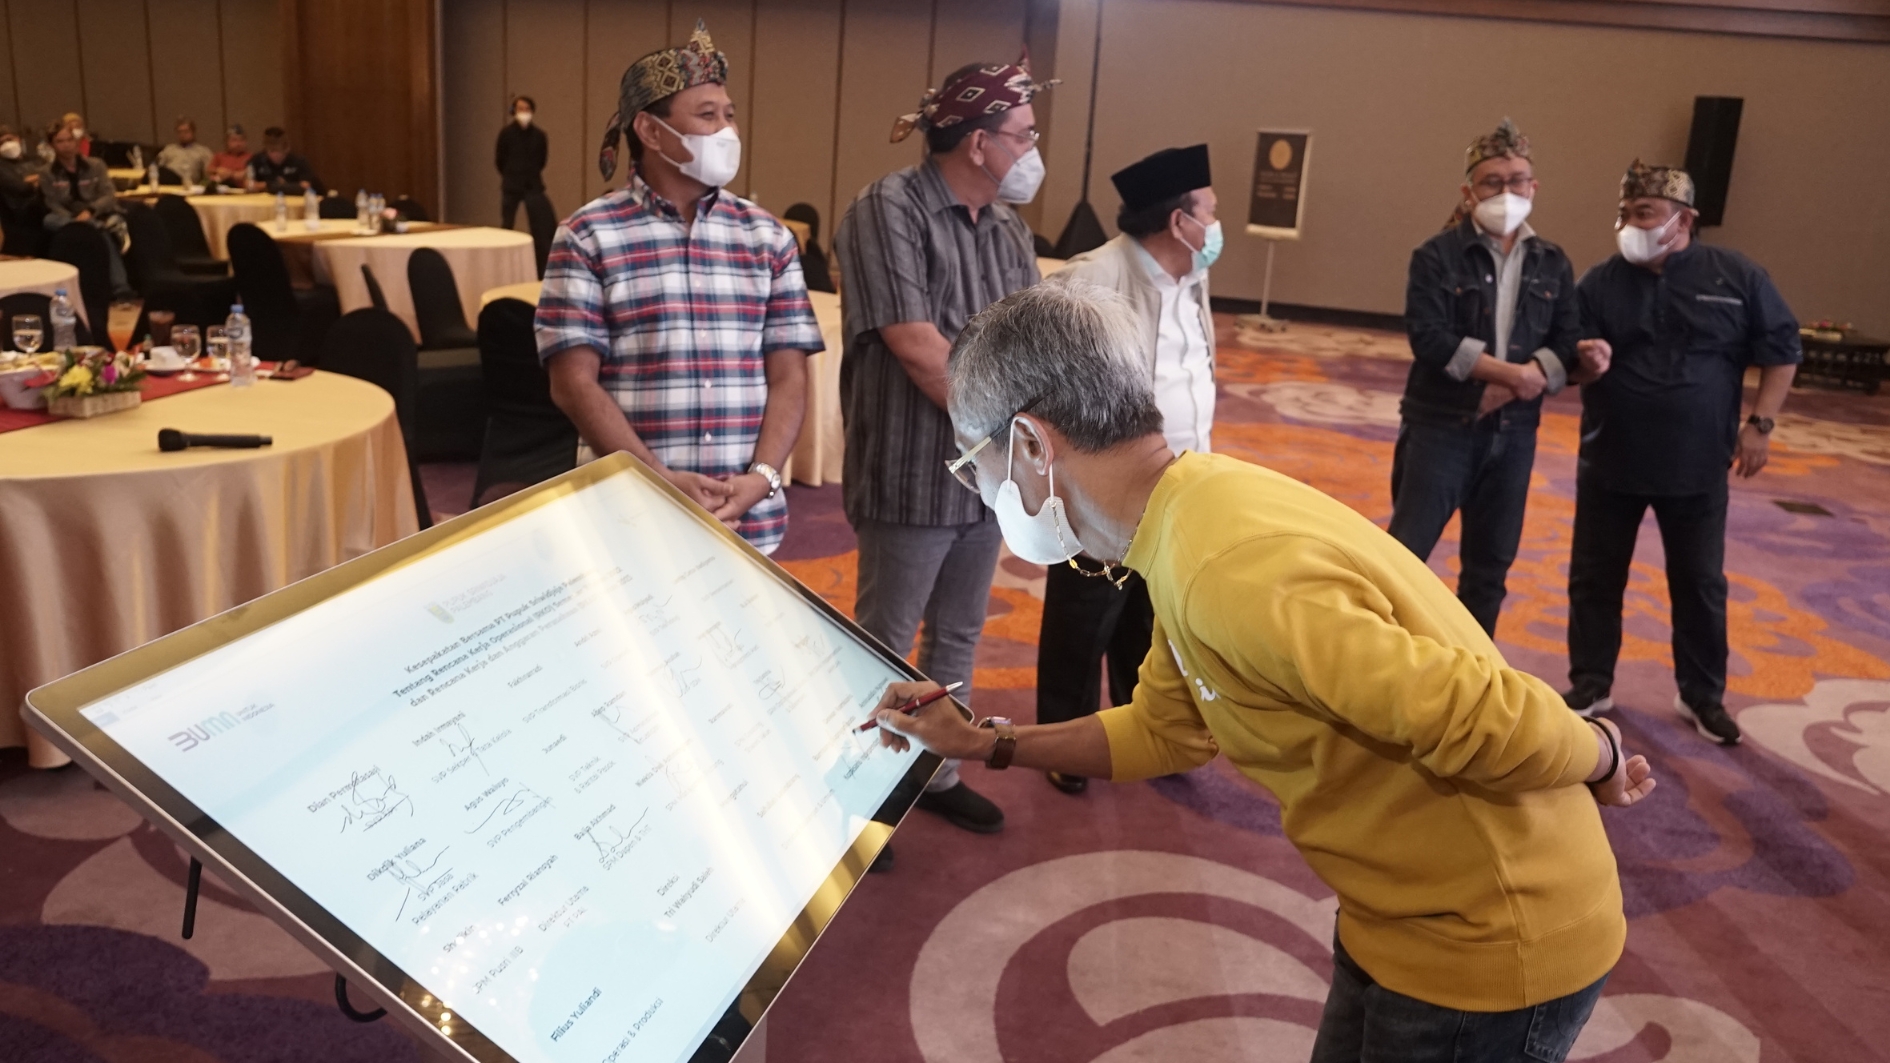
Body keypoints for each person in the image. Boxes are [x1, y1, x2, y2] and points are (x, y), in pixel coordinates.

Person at [870, 280, 1658, 1062]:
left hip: (1493, 935)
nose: (980, 488)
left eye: (975, 462)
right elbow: (1166, 730)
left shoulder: (1225, 568)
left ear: (1033, 445)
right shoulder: (1188, 512)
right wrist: (984, 743)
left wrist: (1601, 752)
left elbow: (1475, 710)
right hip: (1401, 911)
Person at [832, 54, 1055, 835]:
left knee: (958, 634)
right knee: (885, 643)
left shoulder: (1007, 229)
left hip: (987, 480)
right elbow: (918, 347)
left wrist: (1017, 451)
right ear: (978, 143)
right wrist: (1007, 429)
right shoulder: (887, 208)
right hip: (911, 469)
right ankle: (864, 793)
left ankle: (937, 770)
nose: (1033, 150)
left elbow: (1030, 343)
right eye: (1023, 134)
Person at [537, 21, 819, 559]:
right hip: (629, 515)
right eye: (707, 115)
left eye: (729, 115)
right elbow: (572, 384)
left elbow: (789, 375)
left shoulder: (767, 237)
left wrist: (761, 477)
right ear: (650, 130)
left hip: (745, 515)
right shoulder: (588, 235)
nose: (726, 130)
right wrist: (656, 479)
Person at [1563, 161, 1801, 745]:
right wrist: (1582, 363)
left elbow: (1782, 350)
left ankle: (1701, 693)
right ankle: (1591, 681)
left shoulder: (1737, 276)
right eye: (1624, 213)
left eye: (1644, 213)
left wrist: (1761, 425)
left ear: (1684, 220)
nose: (1630, 224)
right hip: (1611, 457)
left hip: (1697, 465)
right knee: (1595, 577)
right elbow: (1568, 361)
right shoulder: (1599, 282)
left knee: (1699, 582)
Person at [1031, 144, 1218, 795]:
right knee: (1084, 614)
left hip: (1179, 480)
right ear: (1179, 221)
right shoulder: (1092, 279)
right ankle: (1064, 740)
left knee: (1149, 611)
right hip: (1105, 486)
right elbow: (1040, 379)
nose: (1216, 227)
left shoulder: (1190, 275)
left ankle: (1142, 731)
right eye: (1209, 212)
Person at [1391, 119, 1608, 637]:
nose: (1506, 192)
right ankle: (1382, 660)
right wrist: (1512, 374)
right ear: (1469, 192)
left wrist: (1529, 377)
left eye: (1517, 181)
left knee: (1490, 571)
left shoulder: (1551, 262)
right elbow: (1430, 338)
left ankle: (1474, 669)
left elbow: (1565, 337)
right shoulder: (1435, 256)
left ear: (1533, 188)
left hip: (1514, 436)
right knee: (1402, 559)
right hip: (1441, 428)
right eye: (1493, 182)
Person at [40, 123, 132, 296]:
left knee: (102, 234)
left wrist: (90, 211)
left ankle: (121, 287)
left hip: (95, 214)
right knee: (49, 220)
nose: (66, 145)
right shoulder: (47, 173)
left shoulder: (96, 165)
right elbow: (52, 203)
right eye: (60, 141)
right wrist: (76, 222)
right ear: (52, 145)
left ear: (76, 141)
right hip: (67, 218)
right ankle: (94, 226)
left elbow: (109, 195)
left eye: (69, 140)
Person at [496, 95, 548, 230]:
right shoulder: (506, 134)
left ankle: (537, 244)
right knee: (507, 222)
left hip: (532, 184)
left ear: (532, 111)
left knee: (538, 222)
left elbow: (542, 160)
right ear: (514, 111)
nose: (524, 112)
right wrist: (510, 173)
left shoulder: (539, 135)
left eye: (527, 109)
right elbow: (500, 160)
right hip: (511, 184)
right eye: (520, 109)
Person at [247, 127, 324, 194]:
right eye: (271, 151)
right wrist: (270, 185)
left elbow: (305, 186)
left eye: (277, 151)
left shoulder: (299, 161)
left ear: (286, 149)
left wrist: (274, 186)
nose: (274, 155)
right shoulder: (258, 160)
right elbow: (249, 184)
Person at [0, 126, 45, 232]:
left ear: (18, 139)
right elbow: (21, 187)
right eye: (1, 143)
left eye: (9, 139)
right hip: (20, 213)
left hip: (45, 203)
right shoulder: (2, 166)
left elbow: (51, 175)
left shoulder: (36, 159)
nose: (7, 144)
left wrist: (30, 179)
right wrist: (40, 178)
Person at [155, 116, 214, 187]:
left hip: (186, 182)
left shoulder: (203, 152)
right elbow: (158, 168)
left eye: (186, 131)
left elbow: (208, 176)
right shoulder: (169, 149)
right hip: (166, 181)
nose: (183, 135)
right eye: (180, 132)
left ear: (193, 132)